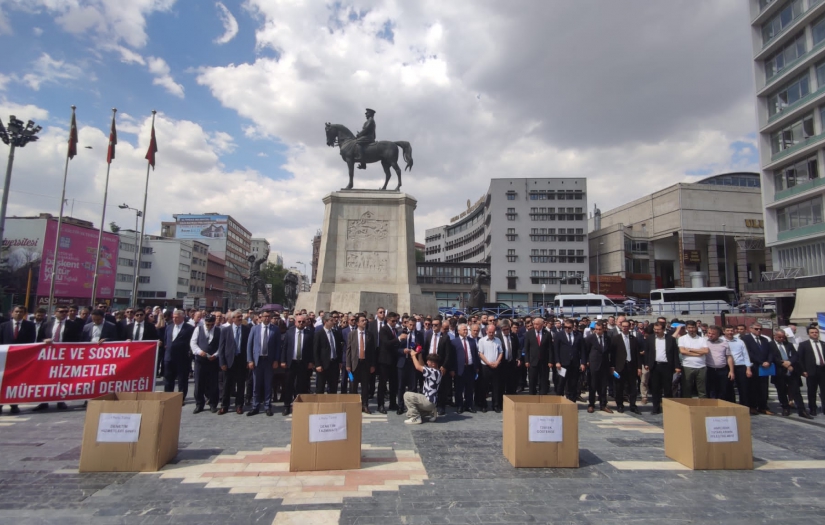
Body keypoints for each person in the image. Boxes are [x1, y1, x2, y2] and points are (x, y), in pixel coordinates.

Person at [0, 306, 36, 414]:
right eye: (16, 311)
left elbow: (31, 341)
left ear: (24, 313)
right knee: (3, 381)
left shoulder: (30, 326)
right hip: (5, 359)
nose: (18, 314)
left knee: (16, 382)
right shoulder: (3, 326)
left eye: (21, 312)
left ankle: (14, 404)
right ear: (12, 313)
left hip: (20, 359)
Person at [771, 329, 812, 419]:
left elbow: (795, 355)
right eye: (779, 337)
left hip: (791, 370)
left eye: (783, 337)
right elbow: (772, 357)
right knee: (781, 391)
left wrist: (789, 362)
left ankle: (802, 410)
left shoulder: (788, 345)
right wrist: (783, 364)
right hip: (779, 372)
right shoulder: (770, 345)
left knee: (796, 391)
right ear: (775, 336)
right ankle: (785, 408)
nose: (781, 339)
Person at [246, 311, 281, 416]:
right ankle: (255, 406)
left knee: (268, 384)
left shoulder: (275, 329)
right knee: (256, 384)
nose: (267, 318)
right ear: (260, 317)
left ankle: (267, 406)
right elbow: (249, 345)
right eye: (265, 316)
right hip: (258, 360)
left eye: (268, 316)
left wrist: (276, 360)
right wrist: (250, 360)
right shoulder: (255, 329)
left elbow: (277, 346)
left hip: (269, 361)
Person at [217, 310, 250, 415]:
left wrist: (248, 360)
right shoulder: (225, 330)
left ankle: (239, 405)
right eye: (238, 317)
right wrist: (222, 362)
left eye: (241, 316)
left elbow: (249, 347)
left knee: (241, 384)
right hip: (229, 361)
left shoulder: (246, 330)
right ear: (232, 318)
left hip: (241, 360)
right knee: (227, 384)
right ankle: (224, 406)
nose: (240, 318)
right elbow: (221, 348)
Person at [644, 322, 681, 415]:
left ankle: (668, 408)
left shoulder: (670, 339)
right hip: (655, 366)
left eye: (658, 329)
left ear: (663, 329)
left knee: (668, 388)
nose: (656, 331)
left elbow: (675, 354)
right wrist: (646, 363)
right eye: (655, 329)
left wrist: (677, 366)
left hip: (667, 366)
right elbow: (647, 352)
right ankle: (656, 408)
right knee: (655, 388)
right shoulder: (650, 338)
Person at [280, 314, 313, 416]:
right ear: (295, 322)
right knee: (288, 385)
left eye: (303, 322)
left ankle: (298, 405)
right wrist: (283, 361)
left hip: (303, 363)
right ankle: (286, 406)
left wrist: (311, 362)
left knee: (301, 386)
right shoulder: (289, 333)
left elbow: (311, 350)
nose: (301, 323)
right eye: (299, 321)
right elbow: (284, 348)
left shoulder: (309, 334)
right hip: (291, 363)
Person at [190, 315, 221, 414]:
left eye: (212, 325)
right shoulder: (198, 329)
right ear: (205, 322)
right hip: (200, 361)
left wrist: (216, 355)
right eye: (208, 324)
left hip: (213, 361)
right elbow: (193, 343)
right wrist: (199, 352)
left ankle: (213, 404)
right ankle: (199, 404)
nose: (210, 326)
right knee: (199, 383)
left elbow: (221, 345)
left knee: (213, 383)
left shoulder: (218, 331)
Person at [163, 309, 195, 403]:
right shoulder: (169, 326)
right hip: (169, 357)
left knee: (182, 380)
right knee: (168, 379)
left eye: (176, 317)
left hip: (182, 358)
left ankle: (181, 398)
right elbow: (166, 339)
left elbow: (191, 342)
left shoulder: (189, 328)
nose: (174, 319)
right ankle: (168, 397)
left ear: (182, 317)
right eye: (173, 317)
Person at [742, 322, 774, 415]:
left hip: (765, 367)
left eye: (760, 329)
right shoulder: (745, 339)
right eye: (756, 329)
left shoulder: (765, 340)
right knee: (753, 387)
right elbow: (748, 353)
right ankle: (752, 406)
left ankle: (763, 406)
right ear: (751, 329)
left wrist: (768, 361)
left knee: (764, 388)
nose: (758, 330)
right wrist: (761, 362)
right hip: (754, 366)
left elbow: (770, 352)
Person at [346, 313, 376, 413]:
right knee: (353, 385)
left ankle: (365, 405)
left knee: (365, 386)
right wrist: (348, 364)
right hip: (354, 364)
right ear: (358, 323)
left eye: (365, 320)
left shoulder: (369, 335)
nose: (365, 322)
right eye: (362, 321)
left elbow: (372, 351)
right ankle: (354, 405)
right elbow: (348, 350)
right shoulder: (352, 334)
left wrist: (372, 364)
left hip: (365, 364)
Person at [403, 351, 443, 425]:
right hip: (432, 402)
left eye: (429, 361)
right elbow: (422, 365)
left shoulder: (432, 372)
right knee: (409, 413)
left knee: (407, 395)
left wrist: (413, 356)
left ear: (433, 364)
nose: (427, 362)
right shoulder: (438, 372)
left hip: (428, 401)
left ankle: (415, 418)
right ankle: (431, 411)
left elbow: (418, 367)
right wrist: (420, 354)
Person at [610, 320, 641, 414]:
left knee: (632, 387)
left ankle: (633, 405)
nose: (625, 328)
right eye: (623, 326)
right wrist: (612, 366)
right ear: (621, 327)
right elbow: (612, 354)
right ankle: (620, 405)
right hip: (620, 366)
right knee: (619, 387)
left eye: (627, 326)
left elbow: (637, 354)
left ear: (630, 327)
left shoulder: (634, 339)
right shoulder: (616, 338)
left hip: (631, 365)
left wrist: (639, 367)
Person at [451, 323, 479, 414]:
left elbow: (475, 354)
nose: (466, 331)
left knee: (469, 388)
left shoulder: (471, 341)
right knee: (459, 388)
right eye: (464, 330)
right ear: (458, 331)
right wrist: (452, 369)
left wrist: (476, 366)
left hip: (470, 368)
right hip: (459, 369)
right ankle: (459, 405)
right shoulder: (454, 342)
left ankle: (469, 405)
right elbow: (452, 357)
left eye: (466, 330)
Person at [376, 312, 401, 414]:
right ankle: (380, 405)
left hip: (394, 360)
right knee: (382, 384)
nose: (395, 323)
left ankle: (392, 403)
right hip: (384, 361)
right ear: (388, 320)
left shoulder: (395, 330)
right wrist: (398, 339)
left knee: (393, 383)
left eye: (396, 321)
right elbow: (386, 343)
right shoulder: (383, 330)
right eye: (393, 321)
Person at [554, 319, 584, 402]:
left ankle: (572, 401)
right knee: (561, 383)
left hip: (574, 363)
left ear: (572, 327)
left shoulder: (578, 335)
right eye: (565, 327)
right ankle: (558, 401)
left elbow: (582, 350)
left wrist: (583, 362)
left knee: (573, 383)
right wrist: (557, 361)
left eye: (569, 327)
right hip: (563, 364)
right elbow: (556, 350)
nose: (567, 329)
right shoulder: (559, 335)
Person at [397, 318, 423, 415]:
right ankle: (400, 406)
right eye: (410, 324)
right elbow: (396, 348)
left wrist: (418, 350)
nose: (412, 327)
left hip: (413, 362)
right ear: (407, 324)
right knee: (401, 386)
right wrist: (402, 351)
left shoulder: (419, 335)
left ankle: (412, 407)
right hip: (403, 362)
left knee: (413, 386)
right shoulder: (401, 333)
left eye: (414, 325)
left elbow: (422, 347)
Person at [313, 314, 344, 395]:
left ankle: (331, 405)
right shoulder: (319, 334)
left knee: (333, 387)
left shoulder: (335, 333)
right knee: (320, 387)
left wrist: (340, 361)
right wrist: (317, 364)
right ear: (325, 321)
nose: (333, 322)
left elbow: (339, 348)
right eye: (331, 320)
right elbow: (315, 350)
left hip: (334, 364)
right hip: (323, 365)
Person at [585, 323, 612, 414]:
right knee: (592, 385)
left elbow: (609, 352)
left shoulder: (607, 338)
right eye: (597, 329)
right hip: (594, 365)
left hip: (604, 365)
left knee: (603, 386)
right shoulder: (590, 338)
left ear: (603, 329)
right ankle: (591, 404)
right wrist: (587, 362)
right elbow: (586, 351)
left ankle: (603, 404)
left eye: (600, 329)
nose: (598, 331)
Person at [476, 324, 503, 413]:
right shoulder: (482, 341)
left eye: (493, 332)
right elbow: (480, 353)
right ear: (486, 331)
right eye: (490, 332)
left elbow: (501, 352)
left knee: (496, 387)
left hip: (496, 366)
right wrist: (488, 363)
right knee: (484, 386)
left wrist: (497, 362)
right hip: (485, 366)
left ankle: (495, 405)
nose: (491, 334)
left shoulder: (498, 340)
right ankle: (484, 405)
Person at [678, 321, 708, 399]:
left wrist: (690, 350)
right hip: (687, 366)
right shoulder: (682, 339)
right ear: (686, 328)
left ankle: (703, 406)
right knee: (687, 389)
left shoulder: (702, 339)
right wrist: (699, 353)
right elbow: (683, 351)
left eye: (693, 327)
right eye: (689, 328)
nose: (691, 329)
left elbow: (705, 351)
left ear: (696, 327)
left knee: (702, 389)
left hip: (701, 366)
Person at [799, 325, 825, 416]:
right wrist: (803, 370)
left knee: (824, 390)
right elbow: (800, 359)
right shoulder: (804, 345)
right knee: (812, 391)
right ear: (808, 334)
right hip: (811, 371)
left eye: (816, 332)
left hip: (823, 370)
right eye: (812, 332)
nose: (814, 334)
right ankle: (812, 408)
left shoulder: (823, 343)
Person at [704, 325, 734, 401]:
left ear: (718, 335)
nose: (710, 335)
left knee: (722, 390)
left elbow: (729, 357)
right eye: (709, 333)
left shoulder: (724, 343)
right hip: (709, 369)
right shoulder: (704, 342)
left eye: (713, 334)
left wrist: (731, 371)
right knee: (711, 390)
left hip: (722, 370)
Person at [524, 317, 551, 395]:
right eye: (534, 324)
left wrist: (550, 361)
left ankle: (542, 396)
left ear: (542, 325)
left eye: (537, 324)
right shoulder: (529, 334)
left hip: (544, 361)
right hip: (532, 361)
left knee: (543, 380)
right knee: (532, 380)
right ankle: (532, 396)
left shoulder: (547, 334)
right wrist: (527, 360)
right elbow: (527, 348)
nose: (535, 326)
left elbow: (550, 349)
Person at [725, 325, 751, 406]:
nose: (730, 332)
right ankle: (732, 405)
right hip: (727, 367)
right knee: (729, 388)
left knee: (743, 388)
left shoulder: (740, 341)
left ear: (734, 331)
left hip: (740, 365)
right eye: (728, 330)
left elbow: (746, 355)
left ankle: (744, 406)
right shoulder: (721, 341)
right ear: (724, 331)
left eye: (732, 330)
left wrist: (748, 368)